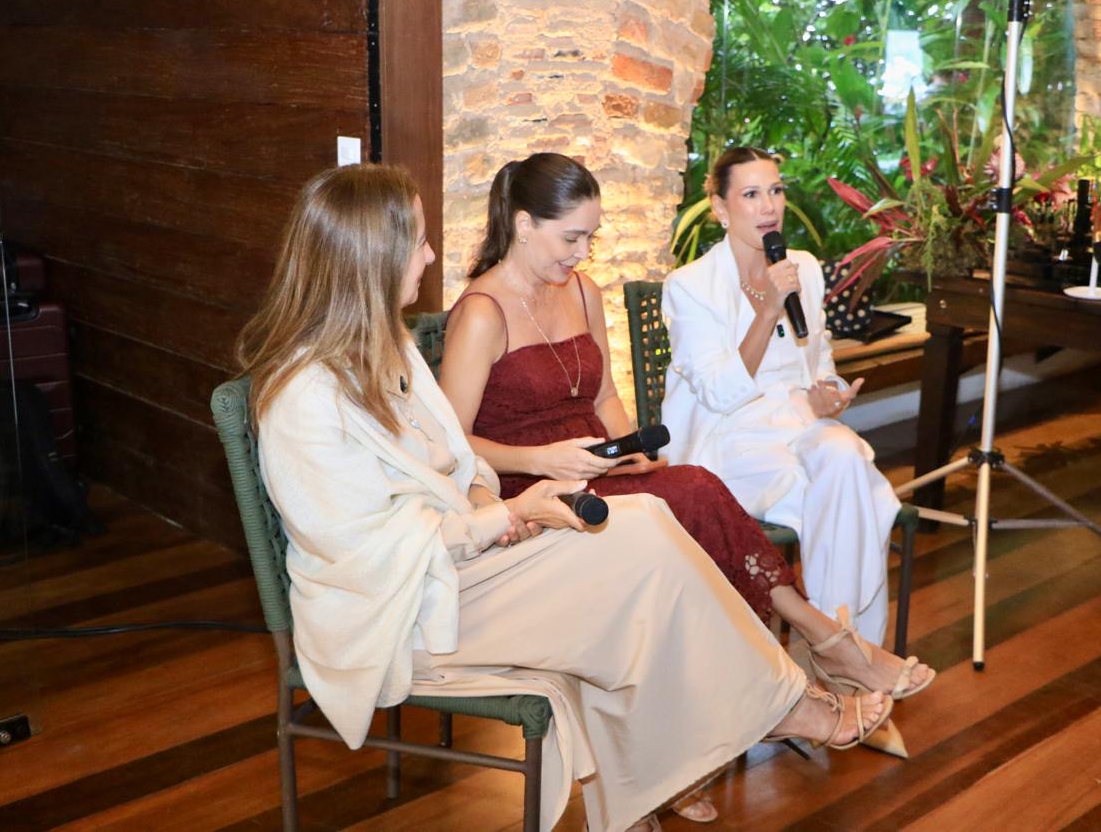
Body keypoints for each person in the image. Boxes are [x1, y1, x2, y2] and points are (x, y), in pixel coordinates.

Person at [235, 164, 892, 832]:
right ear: (368, 256)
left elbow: (459, 460)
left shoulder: (389, 351)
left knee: (645, 523)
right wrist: (507, 514)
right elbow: (361, 550)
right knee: (637, 551)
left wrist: (496, 506)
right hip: (399, 607)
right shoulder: (303, 397)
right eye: (419, 240)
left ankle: (705, 748)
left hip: (459, 564)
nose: (431, 254)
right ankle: (782, 706)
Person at [438, 154, 932, 813]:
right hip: (532, 490)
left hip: (596, 466)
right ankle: (818, 646)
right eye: (571, 238)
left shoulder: (580, 291)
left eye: (591, 237)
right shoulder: (480, 313)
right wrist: (545, 457)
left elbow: (606, 394)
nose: (583, 253)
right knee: (693, 496)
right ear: (523, 225)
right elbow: (448, 444)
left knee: (688, 490)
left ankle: (730, 718)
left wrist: (631, 450)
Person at [661, 145, 906, 647]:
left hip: (798, 424)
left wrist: (828, 397)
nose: (769, 207)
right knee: (848, 495)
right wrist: (770, 307)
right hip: (727, 438)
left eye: (775, 191)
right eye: (751, 194)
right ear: (721, 209)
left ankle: (838, 651)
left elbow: (819, 364)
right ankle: (854, 652)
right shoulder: (690, 287)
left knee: (842, 455)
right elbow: (719, 393)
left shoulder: (804, 269)